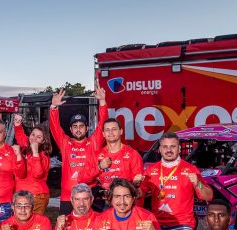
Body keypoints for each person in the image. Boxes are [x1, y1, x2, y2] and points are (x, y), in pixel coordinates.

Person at [50, 85, 108, 215]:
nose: (78, 129)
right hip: (67, 196)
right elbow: (55, 128)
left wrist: (102, 102)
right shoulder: (66, 143)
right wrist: (54, 107)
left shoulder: (93, 142)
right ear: (70, 129)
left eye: (81, 126)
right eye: (74, 126)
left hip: (88, 194)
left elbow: (103, 123)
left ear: (87, 128)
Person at [89, 118, 144, 211]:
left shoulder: (132, 154)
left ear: (121, 131)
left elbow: (140, 190)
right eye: (107, 130)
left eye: (114, 129)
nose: (110, 132)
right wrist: (99, 167)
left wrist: (136, 185)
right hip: (103, 204)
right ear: (103, 134)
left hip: (124, 204)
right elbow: (81, 178)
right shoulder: (96, 155)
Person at [12, 113, 53, 214]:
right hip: (21, 195)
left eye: (39, 137)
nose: (34, 138)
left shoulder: (43, 156)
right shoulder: (26, 146)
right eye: (33, 135)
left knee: (34, 224)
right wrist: (17, 123)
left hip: (37, 195)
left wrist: (35, 154)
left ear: (43, 141)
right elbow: (21, 136)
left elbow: (37, 174)